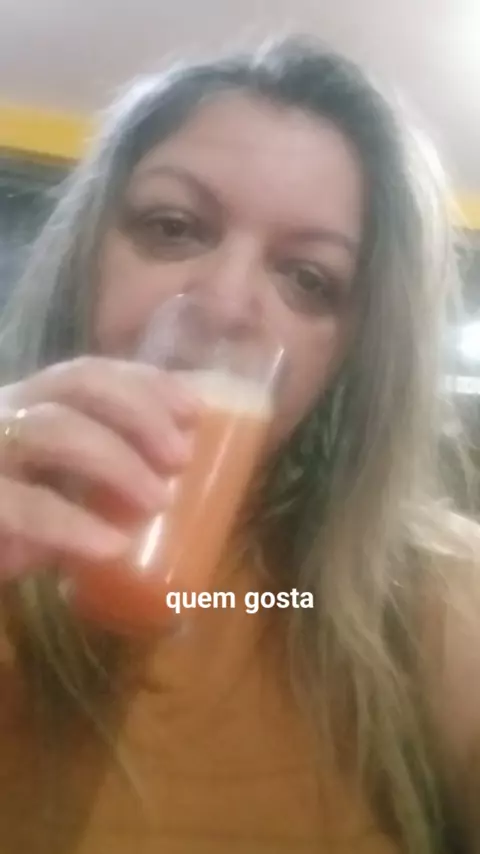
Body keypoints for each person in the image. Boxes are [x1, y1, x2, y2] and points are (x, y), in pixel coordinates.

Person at [0, 35, 478, 854]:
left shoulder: (436, 597)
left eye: (308, 278)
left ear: (348, 356)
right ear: (87, 259)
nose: (224, 306)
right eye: (173, 227)